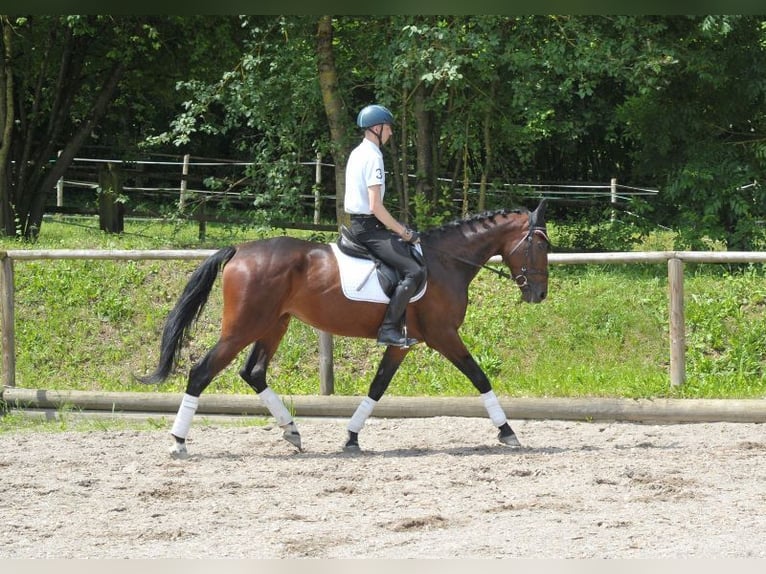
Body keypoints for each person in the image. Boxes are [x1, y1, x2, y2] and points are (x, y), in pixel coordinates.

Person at [344, 104, 425, 348]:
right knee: (415, 271)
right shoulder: (373, 156)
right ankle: (389, 329)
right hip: (369, 229)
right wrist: (405, 232)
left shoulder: (358, 152)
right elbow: (376, 206)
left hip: (362, 225)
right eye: (388, 127)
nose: (390, 132)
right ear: (377, 128)